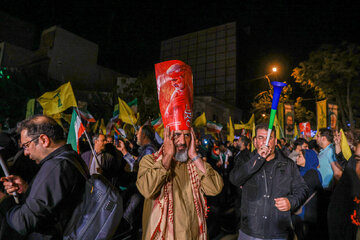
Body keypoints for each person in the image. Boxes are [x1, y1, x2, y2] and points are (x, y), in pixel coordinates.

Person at [0, 115, 86, 239]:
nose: (25, 152)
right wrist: (27, 189)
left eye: (26, 145)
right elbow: (55, 202)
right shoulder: (71, 158)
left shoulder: (55, 167)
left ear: (44, 140)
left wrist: (3, 200)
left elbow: (23, 222)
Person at [136, 126, 223, 239]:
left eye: (186, 135)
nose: (182, 141)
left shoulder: (196, 164)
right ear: (167, 137)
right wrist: (167, 156)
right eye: (177, 135)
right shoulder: (149, 161)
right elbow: (147, 190)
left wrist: (195, 156)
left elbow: (215, 188)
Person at [229, 124, 308, 240]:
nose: (265, 143)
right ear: (255, 141)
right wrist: (257, 159)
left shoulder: (288, 164)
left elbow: (302, 189)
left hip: (278, 232)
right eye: (261, 138)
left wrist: (291, 202)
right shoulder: (245, 160)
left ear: (275, 141)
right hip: (251, 231)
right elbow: (235, 179)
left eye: (269, 138)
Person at [292, 149, 323, 240]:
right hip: (300, 213)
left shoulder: (312, 173)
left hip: (307, 214)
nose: (297, 158)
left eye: (300, 156)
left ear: (308, 158)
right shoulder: (300, 171)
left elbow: (299, 189)